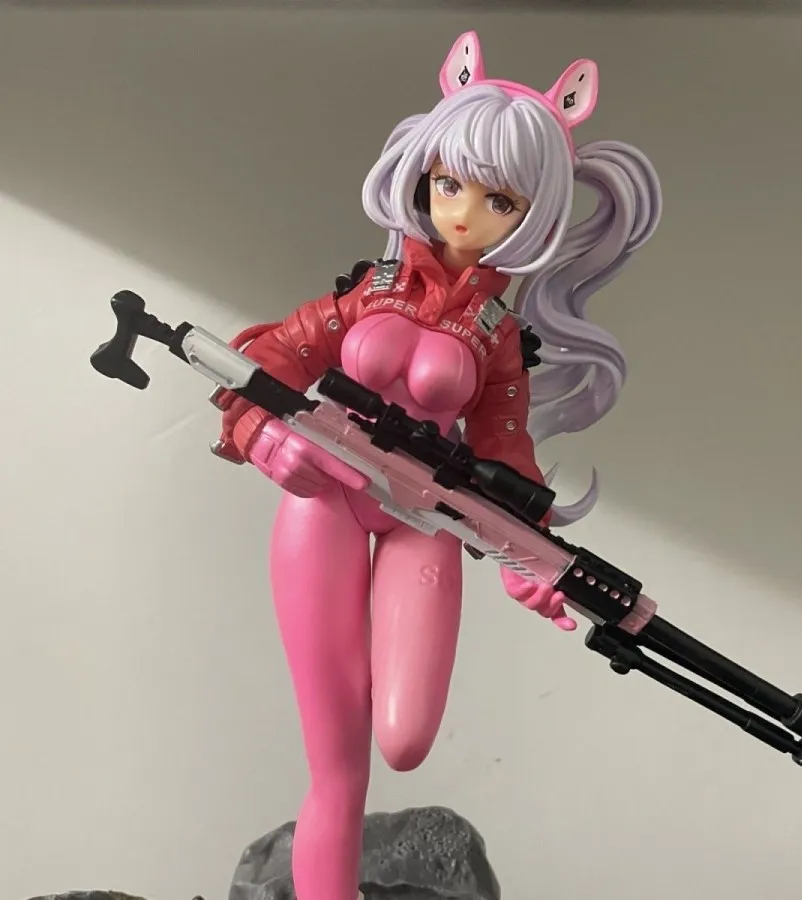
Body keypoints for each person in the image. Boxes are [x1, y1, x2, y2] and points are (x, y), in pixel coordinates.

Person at [213, 30, 662, 900]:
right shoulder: (370, 291)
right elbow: (272, 356)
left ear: (534, 212)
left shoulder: (497, 338)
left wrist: (534, 559)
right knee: (337, 762)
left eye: (499, 200)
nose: (462, 213)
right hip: (325, 501)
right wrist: (262, 435)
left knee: (406, 736)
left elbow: (505, 452)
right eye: (448, 183)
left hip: (423, 519)